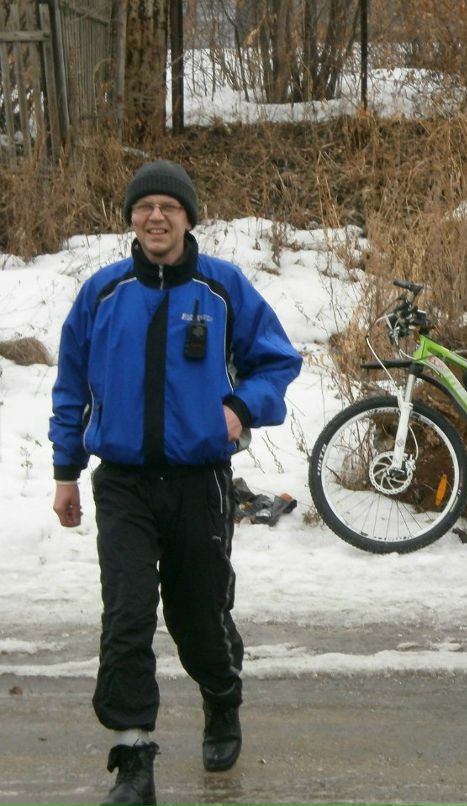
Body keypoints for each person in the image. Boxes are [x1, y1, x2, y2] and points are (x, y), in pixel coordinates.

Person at [49, 160, 303, 806]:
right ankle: (133, 760)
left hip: (199, 481)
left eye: (169, 207)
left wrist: (241, 409)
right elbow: (71, 386)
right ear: (130, 218)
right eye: (144, 208)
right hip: (124, 484)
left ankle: (222, 697)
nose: (155, 218)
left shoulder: (222, 288)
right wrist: (65, 472)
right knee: (127, 615)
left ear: (189, 218)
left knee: (198, 618)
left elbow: (277, 359)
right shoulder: (102, 294)